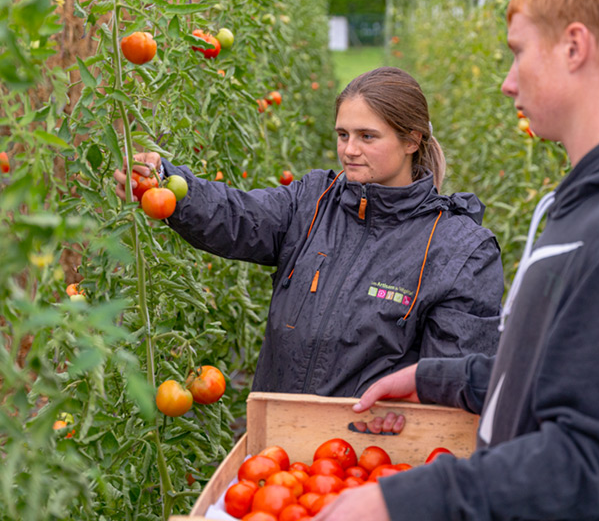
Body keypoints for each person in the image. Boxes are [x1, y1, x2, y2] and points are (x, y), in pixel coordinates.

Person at [315, 0, 599, 520]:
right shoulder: (592, 205)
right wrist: (439, 378)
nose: (508, 82)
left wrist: (404, 499)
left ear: (575, 48)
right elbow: (558, 377)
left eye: (519, 53)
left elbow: (584, 462)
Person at [113, 67, 503, 426]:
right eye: (343, 135)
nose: (349, 150)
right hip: (280, 446)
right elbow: (240, 216)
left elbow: (452, 382)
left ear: (412, 140)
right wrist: (167, 184)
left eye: (368, 136)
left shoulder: (457, 250)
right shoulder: (313, 203)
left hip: (369, 459)